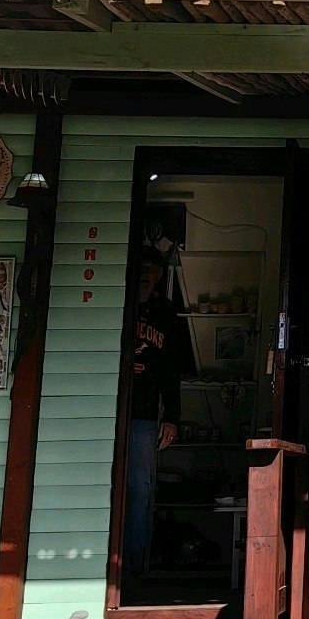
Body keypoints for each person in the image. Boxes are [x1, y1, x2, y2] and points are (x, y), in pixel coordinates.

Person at [123, 249, 190, 588]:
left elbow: (171, 370)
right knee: (107, 487)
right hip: (108, 413)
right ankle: (108, 565)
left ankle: (134, 568)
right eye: (142, 268)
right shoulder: (117, 302)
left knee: (140, 489)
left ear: (160, 276)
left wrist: (172, 417)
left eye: (153, 270)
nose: (146, 276)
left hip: (145, 415)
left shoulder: (165, 313)